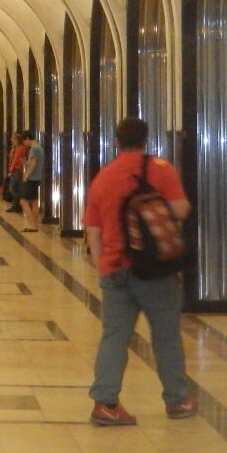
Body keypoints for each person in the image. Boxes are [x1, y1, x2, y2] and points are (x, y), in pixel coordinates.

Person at [84, 116, 196, 425]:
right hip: (154, 270)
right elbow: (180, 209)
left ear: (116, 142)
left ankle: (105, 403)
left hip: (114, 269)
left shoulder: (103, 177)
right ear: (146, 139)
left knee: (114, 337)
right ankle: (177, 400)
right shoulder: (160, 170)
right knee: (165, 336)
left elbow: (92, 228)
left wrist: (102, 265)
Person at [20, 130, 44, 231]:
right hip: (37, 177)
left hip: (32, 178)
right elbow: (34, 162)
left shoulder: (34, 149)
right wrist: (25, 162)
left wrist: (26, 175)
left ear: (27, 139)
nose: (24, 144)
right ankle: (35, 225)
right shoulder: (39, 148)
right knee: (34, 202)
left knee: (23, 201)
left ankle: (32, 225)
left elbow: (34, 164)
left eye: (24, 141)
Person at [5, 132, 27, 213]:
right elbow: (11, 157)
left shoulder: (21, 148)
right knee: (15, 188)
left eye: (13, 138)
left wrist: (11, 170)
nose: (11, 140)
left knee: (13, 188)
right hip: (15, 169)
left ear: (17, 140)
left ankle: (18, 204)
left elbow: (16, 159)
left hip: (17, 170)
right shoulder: (16, 147)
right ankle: (16, 205)